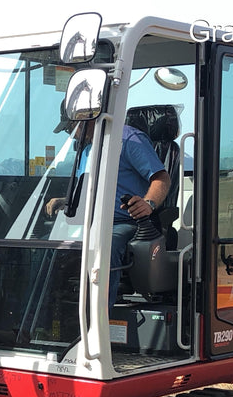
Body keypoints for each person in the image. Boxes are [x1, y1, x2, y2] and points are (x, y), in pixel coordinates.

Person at [46, 118, 170, 310]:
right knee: (46, 246)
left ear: (87, 120)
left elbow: (161, 178)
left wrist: (148, 203)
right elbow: (89, 189)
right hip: (92, 222)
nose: (71, 136)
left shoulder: (128, 139)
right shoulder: (86, 150)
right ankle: (47, 320)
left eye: (71, 129)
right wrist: (65, 200)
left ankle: (98, 318)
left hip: (126, 221)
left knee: (105, 246)